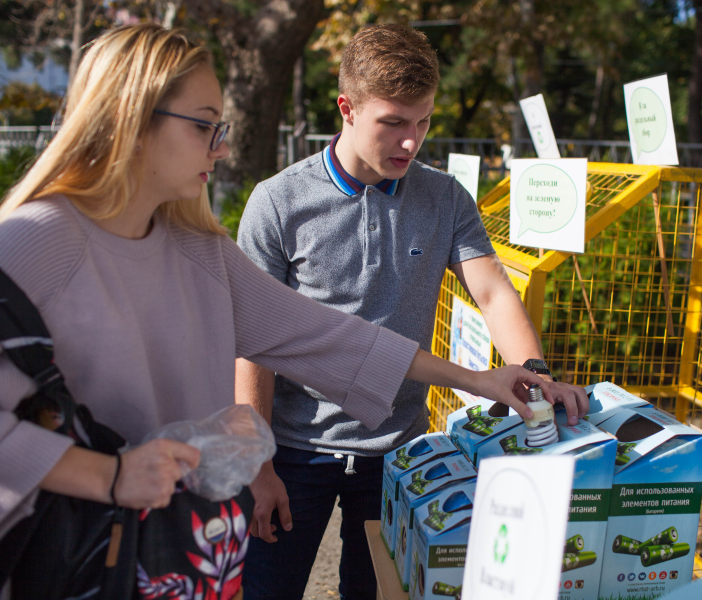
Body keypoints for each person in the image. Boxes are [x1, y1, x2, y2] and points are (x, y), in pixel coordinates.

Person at [0, 23, 549, 595]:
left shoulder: (198, 249)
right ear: (132, 121)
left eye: (222, 126)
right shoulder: (33, 241)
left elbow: (329, 340)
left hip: (170, 559)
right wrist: (111, 475)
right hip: (66, 560)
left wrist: (484, 381)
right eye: (205, 125)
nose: (224, 146)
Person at [235, 24, 590, 600]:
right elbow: (251, 342)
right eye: (394, 122)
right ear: (346, 109)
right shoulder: (278, 201)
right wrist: (257, 462)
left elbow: (493, 292)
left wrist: (536, 373)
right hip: (292, 450)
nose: (410, 141)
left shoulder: (446, 197)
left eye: (423, 121)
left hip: (398, 451)